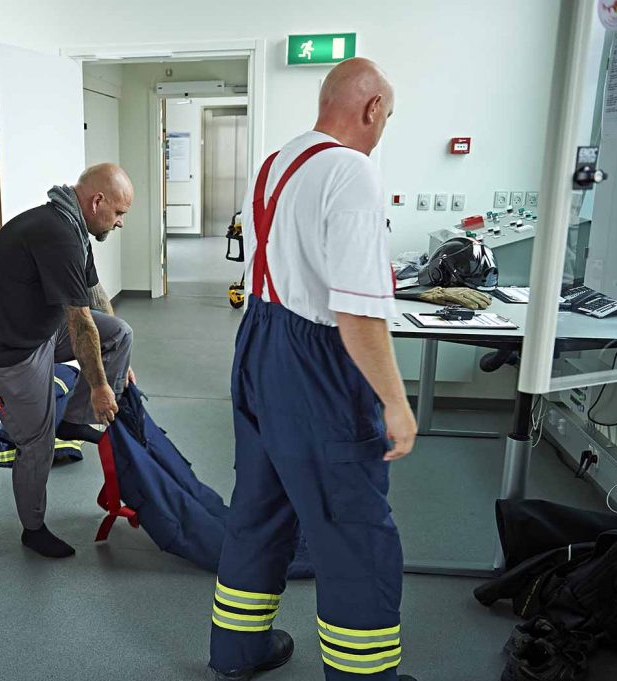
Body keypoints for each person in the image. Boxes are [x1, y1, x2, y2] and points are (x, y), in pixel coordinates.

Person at [208, 58, 420, 681]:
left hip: (260, 342)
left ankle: (238, 652)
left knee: (260, 507)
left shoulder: (276, 163)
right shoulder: (352, 171)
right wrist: (396, 402)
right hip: (317, 362)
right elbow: (356, 312)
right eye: (388, 116)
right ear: (374, 107)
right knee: (351, 524)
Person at [0, 163, 135, 559]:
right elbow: (81, 323)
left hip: (39, 330)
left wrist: (115, 370)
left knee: (120, 333)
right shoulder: (56, 234)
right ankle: (33, 529)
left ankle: (72, 418)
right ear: (97, 201)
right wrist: (101, 386)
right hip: (9, 350)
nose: (121, 222)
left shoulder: (73, 224)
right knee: (37, 444)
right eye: (119, 213)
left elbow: (94, 294)